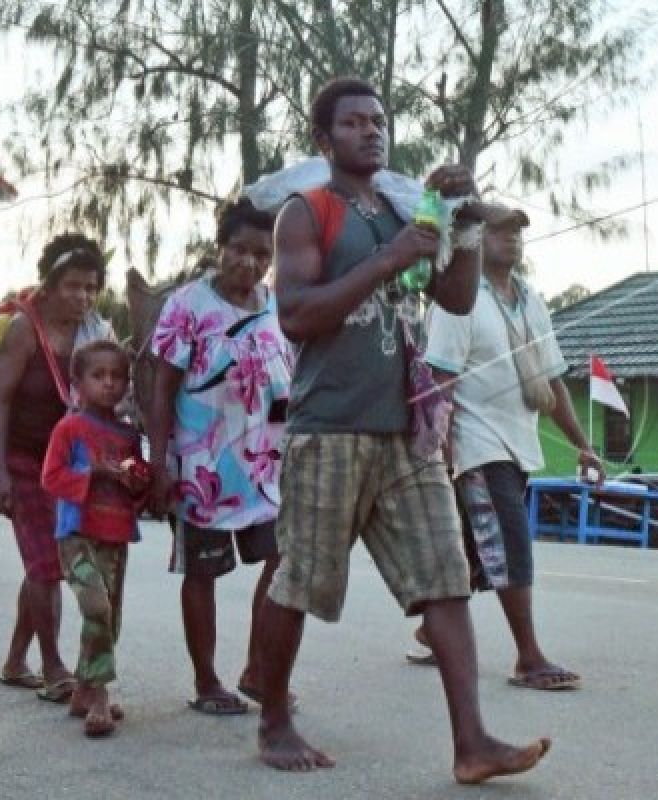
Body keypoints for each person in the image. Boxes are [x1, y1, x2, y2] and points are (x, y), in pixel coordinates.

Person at [257, 76, 550, 781]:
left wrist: (464, 220)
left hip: (405, 428)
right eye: (354, 123)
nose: (372, 131)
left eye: (379, 121)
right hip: (328, 425)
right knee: (298, 580)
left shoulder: (399, 209)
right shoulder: (307, 213)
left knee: (446, 579)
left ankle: (472, 742)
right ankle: (271, 719)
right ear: (325, 140)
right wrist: (387, 261)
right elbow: (295, 315)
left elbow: (451, 294)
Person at [408, 203, 603, 690]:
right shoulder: (457, 301)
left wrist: (584, 444)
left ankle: (434, 630)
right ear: (473, 240)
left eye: (517, 231)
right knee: (510, 541)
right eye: (498, 230)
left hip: (519, 440)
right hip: (476, 441)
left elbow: (552, 379)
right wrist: (442, 450)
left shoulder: (531, 300)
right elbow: (441, 381)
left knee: (473, 547)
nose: (511, 238)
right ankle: (529, 656)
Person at [147, 198, 293, 716]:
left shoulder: (277, 303)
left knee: (282, 563)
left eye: (261, 254)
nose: (250, 264)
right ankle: (207, 681)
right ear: (220, 248)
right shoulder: (189, 304)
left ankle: (258, 668)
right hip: (202, 468)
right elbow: (161, 387)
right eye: (239, 250)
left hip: (266, 467)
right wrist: (160, 460)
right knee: (202, 573)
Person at [0, 234, 113, 701]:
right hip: (22, 462)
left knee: (44, 563)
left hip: (65, 466)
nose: (82, 297)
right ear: (51, 285)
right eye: (73, 286)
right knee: (45, 566)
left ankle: (16, 660)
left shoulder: (94, 332)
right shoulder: (25, 329)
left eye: (91, 287)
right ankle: (53, 664)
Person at [41, 340, 148, 737]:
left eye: (117, 376)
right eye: (98, 376)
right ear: (79, 382)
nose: (109, 384)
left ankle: (84, 689)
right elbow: (50, 478)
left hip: (115, 535)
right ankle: (100, 696)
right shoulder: (68, 429)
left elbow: (138, 487)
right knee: (96, 607)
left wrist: (137, 480)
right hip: (76, 535)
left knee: (108, 616)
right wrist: (96, 474)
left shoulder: (127, 435)